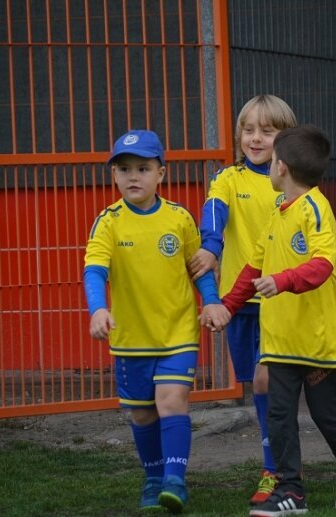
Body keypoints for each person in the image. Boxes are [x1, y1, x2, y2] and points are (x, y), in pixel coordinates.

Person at [204, 125, 336, 516]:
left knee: (328, 415)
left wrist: (282, 281)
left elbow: (323, 265)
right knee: (278, 415)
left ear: (281, 166)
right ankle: (291, 490)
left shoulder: (316, 208)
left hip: (316, 340)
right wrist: (228, 306)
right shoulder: (277, 212)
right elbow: (252, 266)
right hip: (279, 339)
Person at [83, 129, 230, 513]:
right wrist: (98, 308)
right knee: (142, 411)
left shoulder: (179, 218)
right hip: (131, 339)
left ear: (161, 174)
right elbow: (95, 270)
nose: (134, 176)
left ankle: (174, 481)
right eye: (125, 169)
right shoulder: (108, 223)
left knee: (171, 400)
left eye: (143, 169)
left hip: (177, 333)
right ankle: (152, 478)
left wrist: (211, 302)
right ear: (114, 176)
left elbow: (198, 268)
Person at [188, 94, 297, 503]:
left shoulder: (292, 182)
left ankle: (278, 469)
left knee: (273, 383)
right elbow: (214, 219)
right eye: (248, 130)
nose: (256, 138)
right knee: (259, 388)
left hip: (281, 299)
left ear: (285, 137)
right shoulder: (227, 179)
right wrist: (211, 249)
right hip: (241, 302)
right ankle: (278, 465)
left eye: (267, 131)